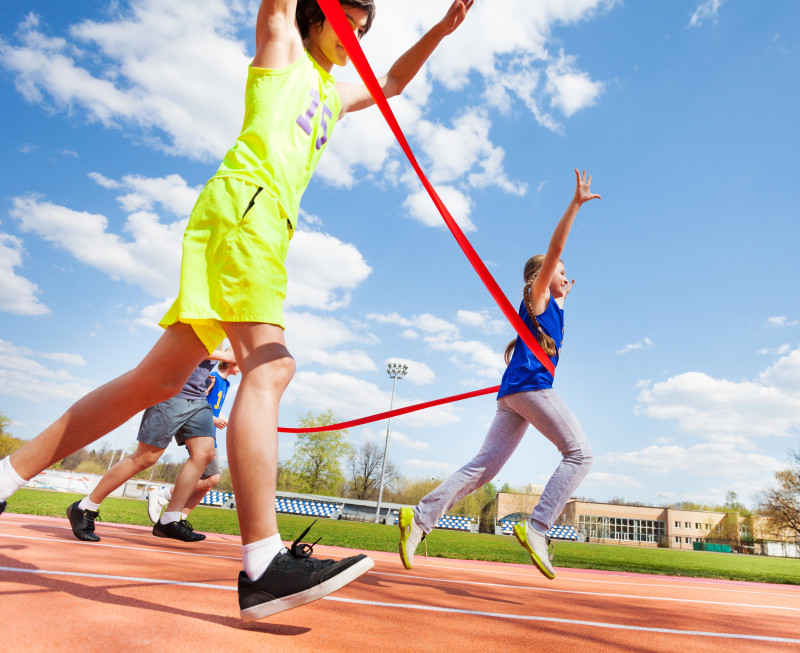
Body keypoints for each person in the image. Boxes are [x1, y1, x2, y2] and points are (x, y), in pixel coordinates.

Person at [0, 0, 472, 621]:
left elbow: (389, 85)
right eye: (348, 22)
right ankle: (263, 563)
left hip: (257, 224)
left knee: (158, 380)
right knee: (271, 369)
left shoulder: (331, 90)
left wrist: (438, 31)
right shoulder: (283, 54)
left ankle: (7, 477)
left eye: (364, 30)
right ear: (315, 17)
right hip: (247, 209)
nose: (356, 36)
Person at [398, 169, 600, 580]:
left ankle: (419, 518)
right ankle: (538, 526)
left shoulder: (551, 308)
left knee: (484, 468)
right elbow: (554, 247)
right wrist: (575, 205)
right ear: (540, 277)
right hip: (530, 388)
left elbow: (556, 295)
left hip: (513, 397)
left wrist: (565, 291)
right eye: (560, 271)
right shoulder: (539, 296)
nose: (565, 275)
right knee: (580, 454)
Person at [65, 352, 236, 544]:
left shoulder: (224, 331)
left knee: (204, 454)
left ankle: (169, 520)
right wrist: (234, 354)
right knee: (146, 457)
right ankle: (84, 507)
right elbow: (200, 348)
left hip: (198, 400)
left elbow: (233, 350)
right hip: (173, 393)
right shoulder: (207, 324)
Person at [145, 359, 241, 526]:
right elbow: (193, 402)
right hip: (200, 430)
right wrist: (213, 419)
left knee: (208, 482)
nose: (242, 367)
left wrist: (221, 417)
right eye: (240, 362)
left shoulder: (226, 384)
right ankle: (163, 494)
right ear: (230, 363)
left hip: (210, 433)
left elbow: (212, 405)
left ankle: (178, 519)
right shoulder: (212, 378)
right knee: (213, 478)